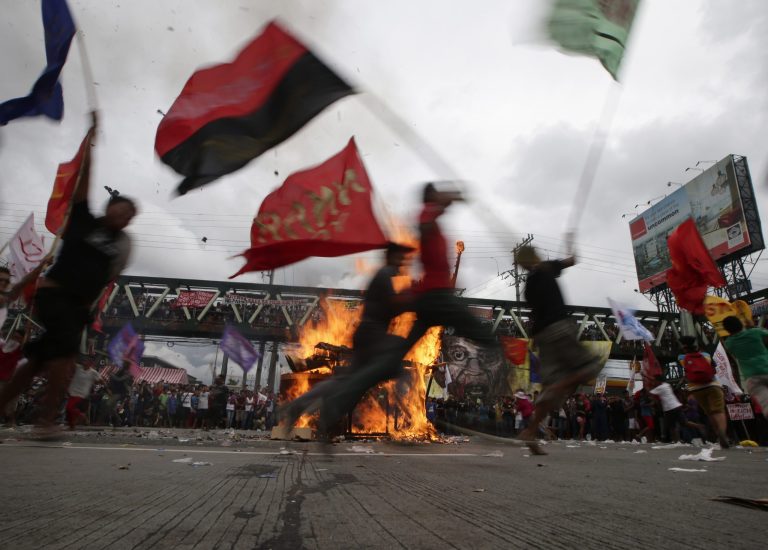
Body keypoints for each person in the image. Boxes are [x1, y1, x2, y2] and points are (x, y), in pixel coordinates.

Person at [0, 113, 137, 437]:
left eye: (130, 215)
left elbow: (109, 278)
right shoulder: (83, 218)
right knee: (64, 358)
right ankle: (46, 421)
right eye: (121, 209)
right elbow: (84, 178)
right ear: (109, 207)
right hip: (55, 295)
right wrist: (90, 143)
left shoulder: (120, 245)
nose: (124, 216)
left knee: (37, 361)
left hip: (77, 309)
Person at [279, 241, 416, 434]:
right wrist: (413, 299)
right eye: (401, 258)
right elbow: (392, 307)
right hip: (373, 337)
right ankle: (406, 417)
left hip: (367, 336)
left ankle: (298, 406)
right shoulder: (384, 274)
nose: (403, 263)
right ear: (392, 256)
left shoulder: (383, 275)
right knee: (401, 364)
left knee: (345, 380)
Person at [514, 241, 604, 454]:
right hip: (560, 328)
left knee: (548, 390)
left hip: (542, 336)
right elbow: (572, 260)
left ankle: (531, 432)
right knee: (590, 366)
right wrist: (572, 250)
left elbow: (535, 313)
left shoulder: (528, 287)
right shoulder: (547, 268)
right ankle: (559, 385)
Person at [679, 335, 730, 447]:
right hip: (712, 385)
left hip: (696, 389)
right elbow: (714, 370)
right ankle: (723, 433)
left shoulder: (682, 358)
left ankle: (718, 433)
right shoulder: (706, 355)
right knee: (719, 411)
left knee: (709, 412)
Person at [722, 316, 768, 421]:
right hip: (766, 368)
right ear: (740, 323)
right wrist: (752, 327)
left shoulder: (729, 343)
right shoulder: (755, 332)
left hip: (751, 377)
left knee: (766, 404)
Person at [649, 376, 705, 443]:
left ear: (658, 381)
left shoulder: (660, 388)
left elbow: (650, 393)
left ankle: (676, 440)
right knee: (684, 422)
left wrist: (651, 385)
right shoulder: (666, 385)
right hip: (677, 406)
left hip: (669, 408)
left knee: (671, 426)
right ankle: (699, 426)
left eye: (655, 381)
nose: (654, 382)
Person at [65, 357, 103, 430]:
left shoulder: (93, 372)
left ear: (91, 363)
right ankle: (72, 425)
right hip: (72, 391)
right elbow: (71, 364)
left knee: (69, 407)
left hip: (82, 393)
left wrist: (96, 382)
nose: (85, 362)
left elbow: (101, 381)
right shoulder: (78, 367)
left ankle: (82, 416)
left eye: (87, 361)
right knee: (69, 410)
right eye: (85, 360)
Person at [0, 329, 25, 427]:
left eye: (18, 337)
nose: (15, 339)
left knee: (12, 402)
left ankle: (11, 421)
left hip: (15, 379)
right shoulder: (4, 346)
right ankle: (8, 420)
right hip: (2, 377)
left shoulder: (22, 349)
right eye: (14, 337)